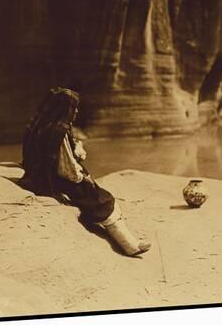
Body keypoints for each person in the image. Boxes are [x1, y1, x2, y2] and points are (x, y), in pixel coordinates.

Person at [21, 87, 151, 256]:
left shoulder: (41, 125)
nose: (76, 111)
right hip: (53, 181)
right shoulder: (58, 132)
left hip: (38, 176)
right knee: (103, 200)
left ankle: (130, 242)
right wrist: (84, 178)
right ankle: (130, 245)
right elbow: (68, 171)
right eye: (73, 107)